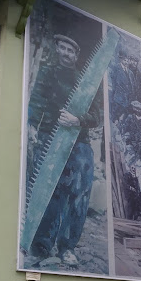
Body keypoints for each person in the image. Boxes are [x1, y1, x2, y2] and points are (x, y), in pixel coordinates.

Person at [26, 34, 103, 265]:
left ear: (76, 55)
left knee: (78, 196)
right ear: (57, 49)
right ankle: (42, 246)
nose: (66, 54)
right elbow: (37, 100)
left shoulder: (86, 80)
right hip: (51, 138)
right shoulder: (48, 72)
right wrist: (32, 125)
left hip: (80, 143)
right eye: (63, 48)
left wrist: (77, 120)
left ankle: (67, 248)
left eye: (71, 50)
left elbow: (96, 116)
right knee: (51, 193)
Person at [110, 51, 135, 123]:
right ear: (121, 60)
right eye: (125, 60)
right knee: (115, 114)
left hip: (127, 98)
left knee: (124, 116)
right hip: (118, 96)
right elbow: (113, 81)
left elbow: (132, 85)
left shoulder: (130, 73)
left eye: (127, 60)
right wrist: (114, 93)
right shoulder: (116, 68)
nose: (126, 62)